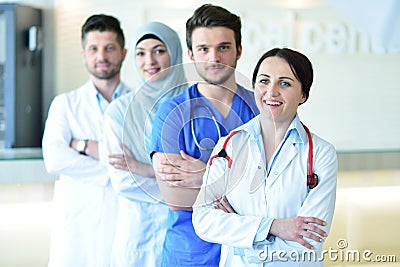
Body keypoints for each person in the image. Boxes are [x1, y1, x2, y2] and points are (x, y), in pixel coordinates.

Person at [192, 47, 338, 266]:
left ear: (303, 95)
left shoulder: (320, 154)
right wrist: (274, 227)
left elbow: (308, 241)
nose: (271, 92)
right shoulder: (228, 146)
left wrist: (240, 237)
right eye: (264, 81)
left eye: (285, 83)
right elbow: (203, 221)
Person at [151, 4, 259, 266]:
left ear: (239, 50)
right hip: (191, 255)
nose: (214, 57)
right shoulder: (172, 113)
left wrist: (205, 175)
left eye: (223, 47)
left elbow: (275, 191)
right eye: (203, 49)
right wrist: (237, 185)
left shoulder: (261, 109)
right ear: (190, 53)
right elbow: (176, 198)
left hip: (248, 253)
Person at [42, 14, 130, 267]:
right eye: (93, 48)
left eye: (109, 48)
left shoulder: (139, 103)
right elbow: (55, 160)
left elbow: (143, 162)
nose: (101, 56)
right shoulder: (65, 104)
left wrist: (82, 146)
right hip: (78, 223)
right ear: (84, 54)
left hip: (124, 218)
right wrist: (115, 171)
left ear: (123, 53)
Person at [101, 21, 187, 267]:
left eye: (159, 50)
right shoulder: (120, 111)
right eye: (141, 53)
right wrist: (183, 189)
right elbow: (124, 180)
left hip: (188, 233)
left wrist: (146, 169)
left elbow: (210, 175)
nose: (149, 60)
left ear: (175, 53)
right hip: (138, 232)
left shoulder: (195, 105)